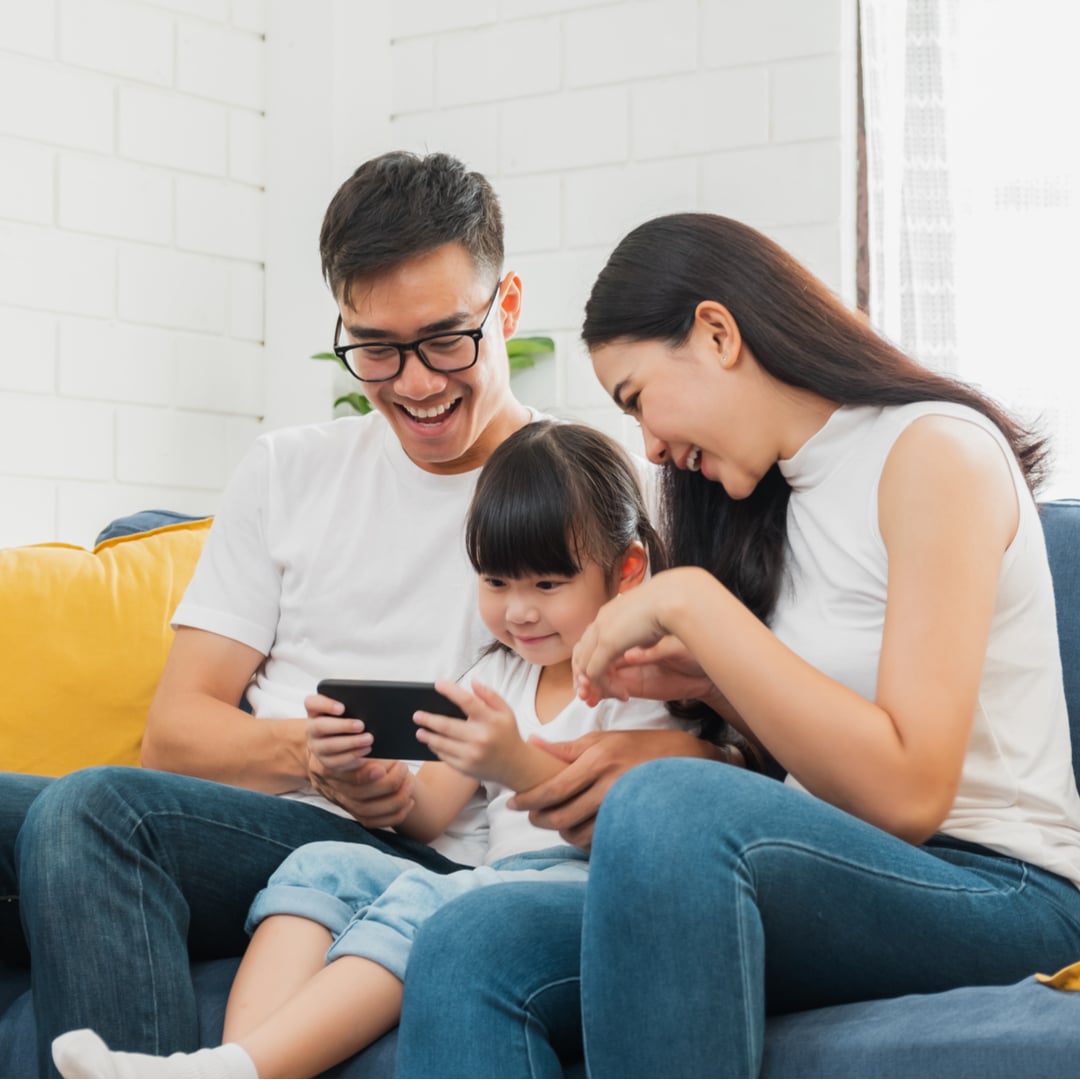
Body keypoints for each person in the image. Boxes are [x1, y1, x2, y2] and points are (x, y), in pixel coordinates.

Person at [394, 212, 1080, 1078]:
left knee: (668, 806)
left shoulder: (934, 452)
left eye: (638, 397)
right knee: (470, 940)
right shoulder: (778, 498)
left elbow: (909, 793)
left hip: (999, 888)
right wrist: (707, 699)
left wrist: (694, 607)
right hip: (845, 875)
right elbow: (808, 777)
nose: (647, 445)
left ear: (717, 334)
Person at [1, 149, 539, 1075]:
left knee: (94, 811)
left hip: (421, 858)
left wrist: (388, 791)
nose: (414, 383)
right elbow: (176, 734)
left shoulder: (565, 490)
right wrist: (316, 758)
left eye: (447, 339)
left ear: (510, 308)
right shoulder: (289, 469)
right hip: (254, 828)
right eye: (374, 347)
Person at [49, 420, 704, 1080]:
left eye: (547, 585)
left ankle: (236, 1070)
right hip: (485, 879)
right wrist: (372, 776)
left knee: (443, 906)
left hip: (583, 887)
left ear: (626, 570)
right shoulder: (495, 677)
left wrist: (513, 762)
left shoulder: (655, 680)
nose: (519, 612)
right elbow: (427, 815)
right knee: (320, 863)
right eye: (496, 583)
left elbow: (634, 830)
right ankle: (233, 1065)